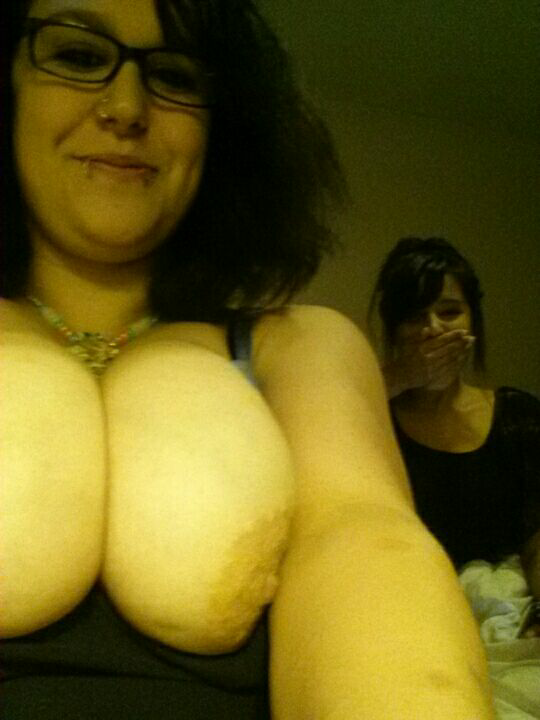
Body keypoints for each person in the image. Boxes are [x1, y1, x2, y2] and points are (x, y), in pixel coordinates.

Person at [1, 2, 494, 718]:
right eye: (78, 57)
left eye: (175, 76)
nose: (127, 107)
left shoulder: (300, 346)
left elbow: (365, 543)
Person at [369, 237, 540, 608]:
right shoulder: (371, 423)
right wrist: (400, 377)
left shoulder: (519, 417)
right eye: (414, 317)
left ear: (472, 318)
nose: (433, 329)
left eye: (449, 312)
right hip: (408, 606)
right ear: (394, 328)